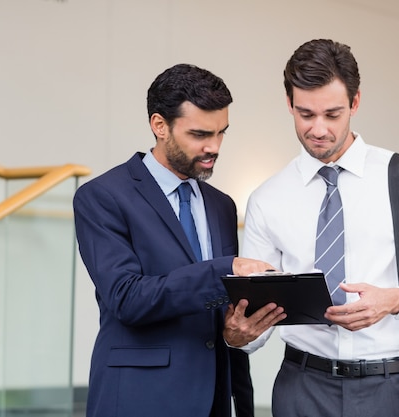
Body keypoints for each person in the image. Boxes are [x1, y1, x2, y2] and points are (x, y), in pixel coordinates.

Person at [223, 39, 399, 416]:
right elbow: (258, 316)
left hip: (393, 387)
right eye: (305, 114)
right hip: (301, 386)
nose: (318, 129)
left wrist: (394, 300)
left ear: (355, 103)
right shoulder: (267, 198)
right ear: (289, 104)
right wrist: (239, 336)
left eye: (332, 114)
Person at [73, 63, 283, 417]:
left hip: (215, 398)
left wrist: (237, 331)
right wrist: (224, 270)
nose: (213, 146)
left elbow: (217, 307)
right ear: (159, 126)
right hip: (139, 400)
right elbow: (127, 298)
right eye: (200, 134)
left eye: (221, 133)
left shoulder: (221, 205)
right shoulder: (102, 197)